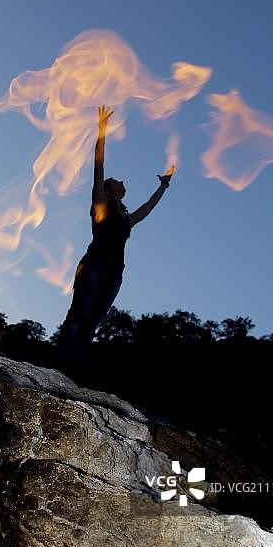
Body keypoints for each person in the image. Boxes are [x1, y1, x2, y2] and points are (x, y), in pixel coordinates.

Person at [57, 104, 173, 382]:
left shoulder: (124, 217)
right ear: (110, 189)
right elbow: (98, 168)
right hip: (95, 263)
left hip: (114, 271)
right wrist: (102, 130)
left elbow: (145, 210)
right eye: (118, 181)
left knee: (93, 320)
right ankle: (61, 366)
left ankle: (76, 374)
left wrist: (164, 186)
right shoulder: (100, 203)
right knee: (79, 314)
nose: (123, 182)